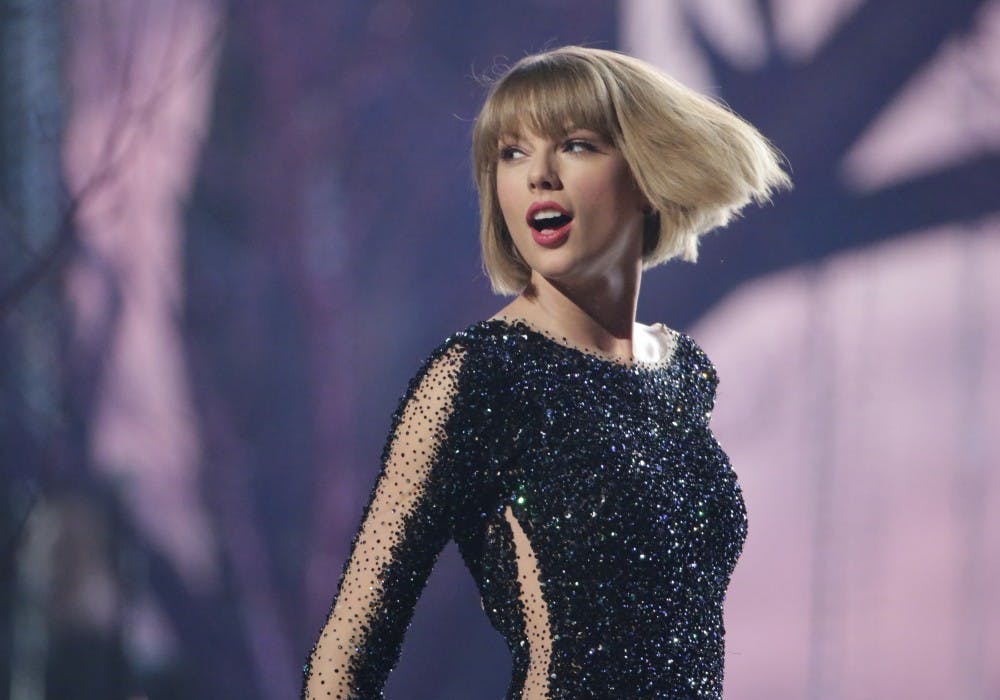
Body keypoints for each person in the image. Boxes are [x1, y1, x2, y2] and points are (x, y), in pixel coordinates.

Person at [303, 45, 791, 699]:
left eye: (577, 145)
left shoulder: (682, 373)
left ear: (647, 174)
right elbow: (342, 665)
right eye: (511, 152)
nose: (538, 175)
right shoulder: (478, 378)